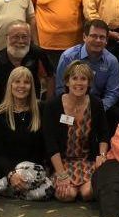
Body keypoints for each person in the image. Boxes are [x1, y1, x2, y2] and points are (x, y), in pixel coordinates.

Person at [0, 67, 53, 206]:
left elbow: (47, 145)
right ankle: (1, 187)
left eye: (26, 82)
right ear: (10, 85)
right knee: (43, 186)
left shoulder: (42, 109)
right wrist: (12, 174)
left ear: (32, 86)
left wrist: (50, 170)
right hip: (5, 169)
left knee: (48, 190)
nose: (21, 86)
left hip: (33, 170)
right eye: (17, 82)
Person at [43, 61, 110, 202]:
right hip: (62, 162)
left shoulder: (96, 104)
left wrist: (102, 155)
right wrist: (61, 174)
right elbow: (51, 143)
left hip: (87, 160)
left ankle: (83, 186)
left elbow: (104, 133)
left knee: (87, 194)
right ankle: (69, 185)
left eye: (83, 79)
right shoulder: (52, 106)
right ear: (67, 82)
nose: (79, 83)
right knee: (68, 195)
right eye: (74, 78)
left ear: (89, 83)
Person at [0, 20, 53, 108]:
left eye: (24, 37)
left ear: (30, 38)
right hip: (4, 108)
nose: (20, 41)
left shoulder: (38, 54)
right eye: (15, 37)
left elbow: (50, 77)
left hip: (34, 106)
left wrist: (48, 106)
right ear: (7, 38)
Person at [55, 20, 119, 113]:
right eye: (94, 36)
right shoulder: (68, 57)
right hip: (70, 105)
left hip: (99, 107)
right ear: (84, 37)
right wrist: (71, 107)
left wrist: (95, 110)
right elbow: (60, 88)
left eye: (102, 37)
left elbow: (112, 93)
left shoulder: (111, 61)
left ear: (106, 41)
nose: (98, 40)